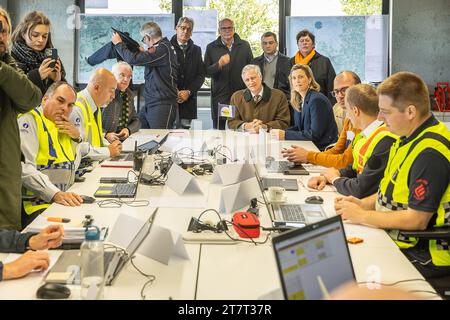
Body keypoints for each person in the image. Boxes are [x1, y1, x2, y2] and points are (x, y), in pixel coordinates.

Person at [335, 72, 450, 279]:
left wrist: (362, 216)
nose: (380, 118)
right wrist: (362, 205)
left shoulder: (429, 153)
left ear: (410, 111)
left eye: (385, 112)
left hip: (424, 254)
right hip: (397, 238)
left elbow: (417, 220)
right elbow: (388, 195)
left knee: (351, 273)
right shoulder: (406, 139)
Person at [306, 84, 396, 198]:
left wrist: (334, 179)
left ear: (355, 111)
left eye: (347, 111)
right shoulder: (366, 134)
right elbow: (355, 168)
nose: (347, 115)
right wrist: (329, 176)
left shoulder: (385, 140)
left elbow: (361, 189)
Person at [19, 82, 89, 227]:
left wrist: (76, 138)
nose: (65, 108)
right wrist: (55, 194)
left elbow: (70, 164)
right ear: (45, 99)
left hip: (60, 201)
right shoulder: (29, 120)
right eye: (60, 101)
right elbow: (24, 169)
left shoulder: (63, 126)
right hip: (36, 206)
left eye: (70, 105)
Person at [0, 7, 42, 230]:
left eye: (4, 31)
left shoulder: (7, 63)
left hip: (7, 178)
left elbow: (31, 98)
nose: (1, 36)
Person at [281, 71, 361, 169]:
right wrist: (308, 158)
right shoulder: (349, 119)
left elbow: (345, 160)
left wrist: (308, 157)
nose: (340, 96)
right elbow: (337, 149)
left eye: (345, 90)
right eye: (336, 92)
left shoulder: (362, 121)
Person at [112, 21, 179, 129]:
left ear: (148, 37)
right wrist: (144, 53)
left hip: (162, 104)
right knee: (140, 132)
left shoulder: (162, 49)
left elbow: (132, 59)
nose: (144, 42)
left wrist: (119, 44)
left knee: (159, 139)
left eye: (143, 39)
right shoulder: (162, 48)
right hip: (151, 102)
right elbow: (150, 59)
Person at [271, 64, 338, 151]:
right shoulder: (300, 99)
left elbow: (314, 135)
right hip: (309, 145)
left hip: (323, 148)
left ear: (309, 79)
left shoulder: (316, 100)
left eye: (301, 77)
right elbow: (299, 128)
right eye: (294, 78)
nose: (297, 81)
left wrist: (285, 135)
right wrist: (279, 132)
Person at [204, 18, 253, 130]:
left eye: (229, 28)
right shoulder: (211, 47)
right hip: (220, 97)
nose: (227, 31)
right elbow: (206, 72)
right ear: (219, 31)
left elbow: (251, 68)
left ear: (234, 29)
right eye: (223, 28)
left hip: (241, 96)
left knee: (241, 129)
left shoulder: (244, 45)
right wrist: (219, 64)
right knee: (219, 132)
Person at [70, 68, 122, 161]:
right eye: (111, 90)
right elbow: (77, 149)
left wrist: (111, 146)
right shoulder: (76, 108)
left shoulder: (95, 106)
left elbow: (96, 140)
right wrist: (108, 151)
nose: (113, 96)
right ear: (97, 88)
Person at [11, 11, 65, 95]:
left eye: (45, 36)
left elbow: (62, 97)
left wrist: (57, 81)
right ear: (23, 34)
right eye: (35, 35)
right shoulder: (11, 57)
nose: (41, 40)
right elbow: (14, 92)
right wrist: (37, 76)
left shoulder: (51, 57)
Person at [227, 64, 290, 132]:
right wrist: (246, 126)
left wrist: (264, 127)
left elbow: (284, 122)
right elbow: (231, 122)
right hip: (245, 139)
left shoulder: (279, 96)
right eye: (247, 80)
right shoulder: (236, 97)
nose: (251, 82)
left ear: (260, 77)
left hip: (270, 138)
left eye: (253, 78)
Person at [170, 17, 206, 129]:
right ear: (176, 28)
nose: (185, 31)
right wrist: (174, 89)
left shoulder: (196, 50)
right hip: (170, 99)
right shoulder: (166, 47)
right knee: (168, 134)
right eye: (183, 28)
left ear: (191, 33)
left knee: (184, 135)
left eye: (189, 29)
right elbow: (162, 74)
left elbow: (200, 75)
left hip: (188, 101)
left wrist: (188, 92)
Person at [290, 29, 336, 104]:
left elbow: (331, 86)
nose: (304, 43)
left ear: (313, 44)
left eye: (307, 40)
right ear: (298, 45)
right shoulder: (290, 63)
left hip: (320, 104)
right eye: (301, 41)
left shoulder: (324, 61)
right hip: (296, 105)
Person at [102, 61, 140, 143]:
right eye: (122, 75)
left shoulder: (129, 95)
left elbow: (136, 121)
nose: (126, 79)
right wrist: (105, 134)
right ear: (112, 75)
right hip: (103, 142)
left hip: (123, 141)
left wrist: (128, 129)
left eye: (129, 77)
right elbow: (90, 122)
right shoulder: (103, 94)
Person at [250, 32, 290, 100]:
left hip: (280, 100)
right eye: (264, 43)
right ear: (261, 45)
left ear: (276, 44)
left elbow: (291, 85)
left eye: (271, 43)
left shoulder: (287, 61)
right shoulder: (254, 62)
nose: (267, 46)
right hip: (260, 100)